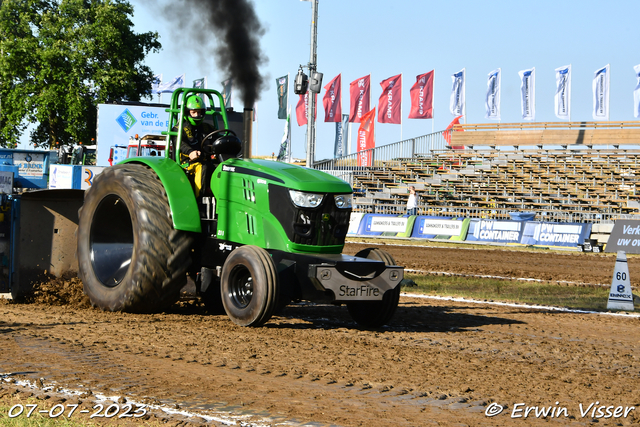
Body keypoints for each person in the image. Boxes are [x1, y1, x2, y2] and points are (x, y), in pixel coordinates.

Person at [173, 95, 217, 197]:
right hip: (186, 162)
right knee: (202, 167)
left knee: (223, 166)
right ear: (187, 112)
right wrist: (190, 152)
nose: (197, 115)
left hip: (205, 159)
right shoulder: (178, 129)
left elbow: (218, 138)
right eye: (194, 112)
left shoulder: (207, 127)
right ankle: (199, 200)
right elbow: (180, 143)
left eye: (199, 112)